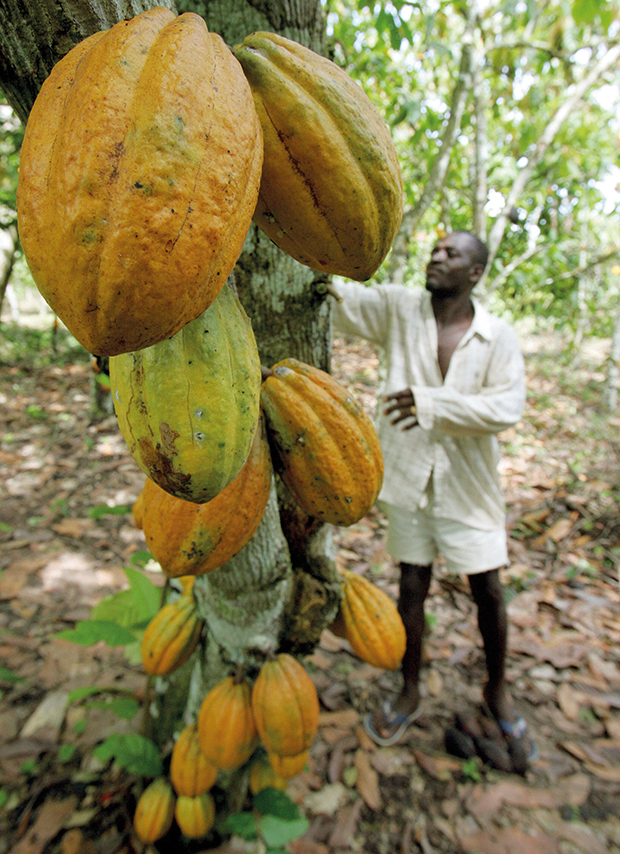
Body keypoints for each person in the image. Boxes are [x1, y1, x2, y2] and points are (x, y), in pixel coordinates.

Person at [332, 230, 533, 753]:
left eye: (453, 254)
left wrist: (433, 404)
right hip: (407, 478)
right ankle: (410, 687)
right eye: (436, 248)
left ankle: (496, 689)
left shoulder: (497, 337)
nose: (437, 256)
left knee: (487, 589)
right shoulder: (401, 308)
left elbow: (506, 408)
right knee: (411, 585)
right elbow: (341, 301)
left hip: (469, 489)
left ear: (474, 273)